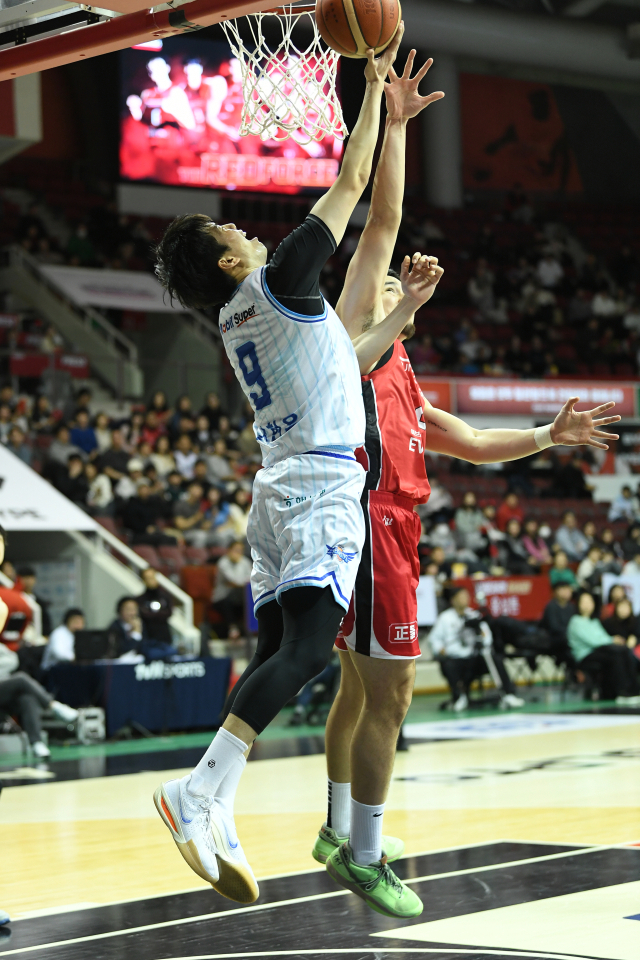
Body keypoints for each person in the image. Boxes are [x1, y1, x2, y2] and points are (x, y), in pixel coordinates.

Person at [151, 31, 442, 909]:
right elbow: (352, 191)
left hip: (277, 489)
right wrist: (375, 100)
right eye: (229, 229)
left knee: (283, 647)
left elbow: (344, 360)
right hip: (317, 488)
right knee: (311, 650)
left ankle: (214, 796)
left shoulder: (244, 318)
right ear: (231, 260)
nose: (243, 225)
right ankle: (198, 793)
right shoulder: (279, 277)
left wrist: (410, 310)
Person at [428, 587, 525, 712]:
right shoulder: (445, 618)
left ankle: (508, 694)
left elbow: (487, 636)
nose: (465, 599)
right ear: (453, 600)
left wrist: (482, 636)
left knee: (496, 660)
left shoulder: (474, 615)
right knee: (448, 664)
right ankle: (459, 698)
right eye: (461, 596)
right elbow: (434, 639)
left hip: (474, 656)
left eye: (466, 596)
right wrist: (440, 650)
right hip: (456, 658)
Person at [568, 592, 639, 704]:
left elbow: (603, 637)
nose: (587, 604)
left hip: (600, 651)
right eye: (584, 602)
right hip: (586, 655)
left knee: (624, 650)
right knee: (616, 654)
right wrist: (612, 640)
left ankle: (634, 690)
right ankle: (623, 692)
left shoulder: (594, 621)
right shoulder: (576, 621)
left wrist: (613, 640)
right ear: (578, 604)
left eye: (589, 601)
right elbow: (593, 641)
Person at [212, 541, 253, 638]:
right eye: (236, 550)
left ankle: (251, 631)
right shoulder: (222, 562)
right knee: (227, 602)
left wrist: (239, 583)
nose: (238, 553)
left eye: (240, 550)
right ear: (229, 550)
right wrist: (240, 582)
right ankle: (233, 629)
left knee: (250, 599)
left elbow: (251, 580)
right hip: (222, 597)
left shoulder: (245, 561)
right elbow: (234, 580)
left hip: (240, 596)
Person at [137, 567, 174, 650]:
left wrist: (150, 614)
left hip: (164, 637)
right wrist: (159, 614)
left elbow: (169, 613)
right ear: (143, 580)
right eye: (148, 578)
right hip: (148, 638)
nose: (151, 580)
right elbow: (142, 614)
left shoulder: (165, 597)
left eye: (152, 577)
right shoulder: (140, 599)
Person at [541, 582, 576, 663]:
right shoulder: (551, 606)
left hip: (568, 638)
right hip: (553, 640)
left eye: (568, 589)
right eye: (563, 589)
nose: (567, 591)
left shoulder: (572, 607)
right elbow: (554, 627)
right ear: (556, 591)